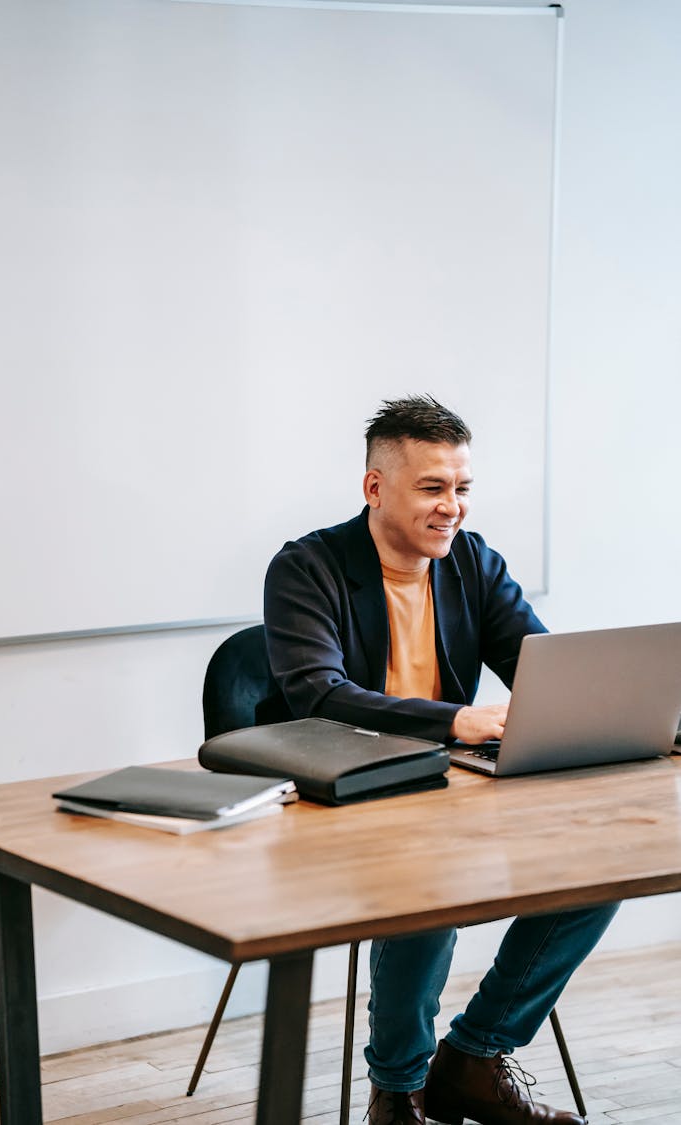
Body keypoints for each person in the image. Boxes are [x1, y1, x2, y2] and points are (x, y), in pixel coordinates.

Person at [263, 395, 618, 1125]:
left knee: (601, 869)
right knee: (426, 887)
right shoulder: (308, 567)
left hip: (450, 788)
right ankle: (396, 1091)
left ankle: (474, 1057)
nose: (451, 507)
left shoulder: (473, 564)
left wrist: (620, 715)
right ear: (375, 488)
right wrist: (456, 717)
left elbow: (542, 671)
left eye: (461, 488)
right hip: (341, 792)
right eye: (432, 488)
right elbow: (319, 697)